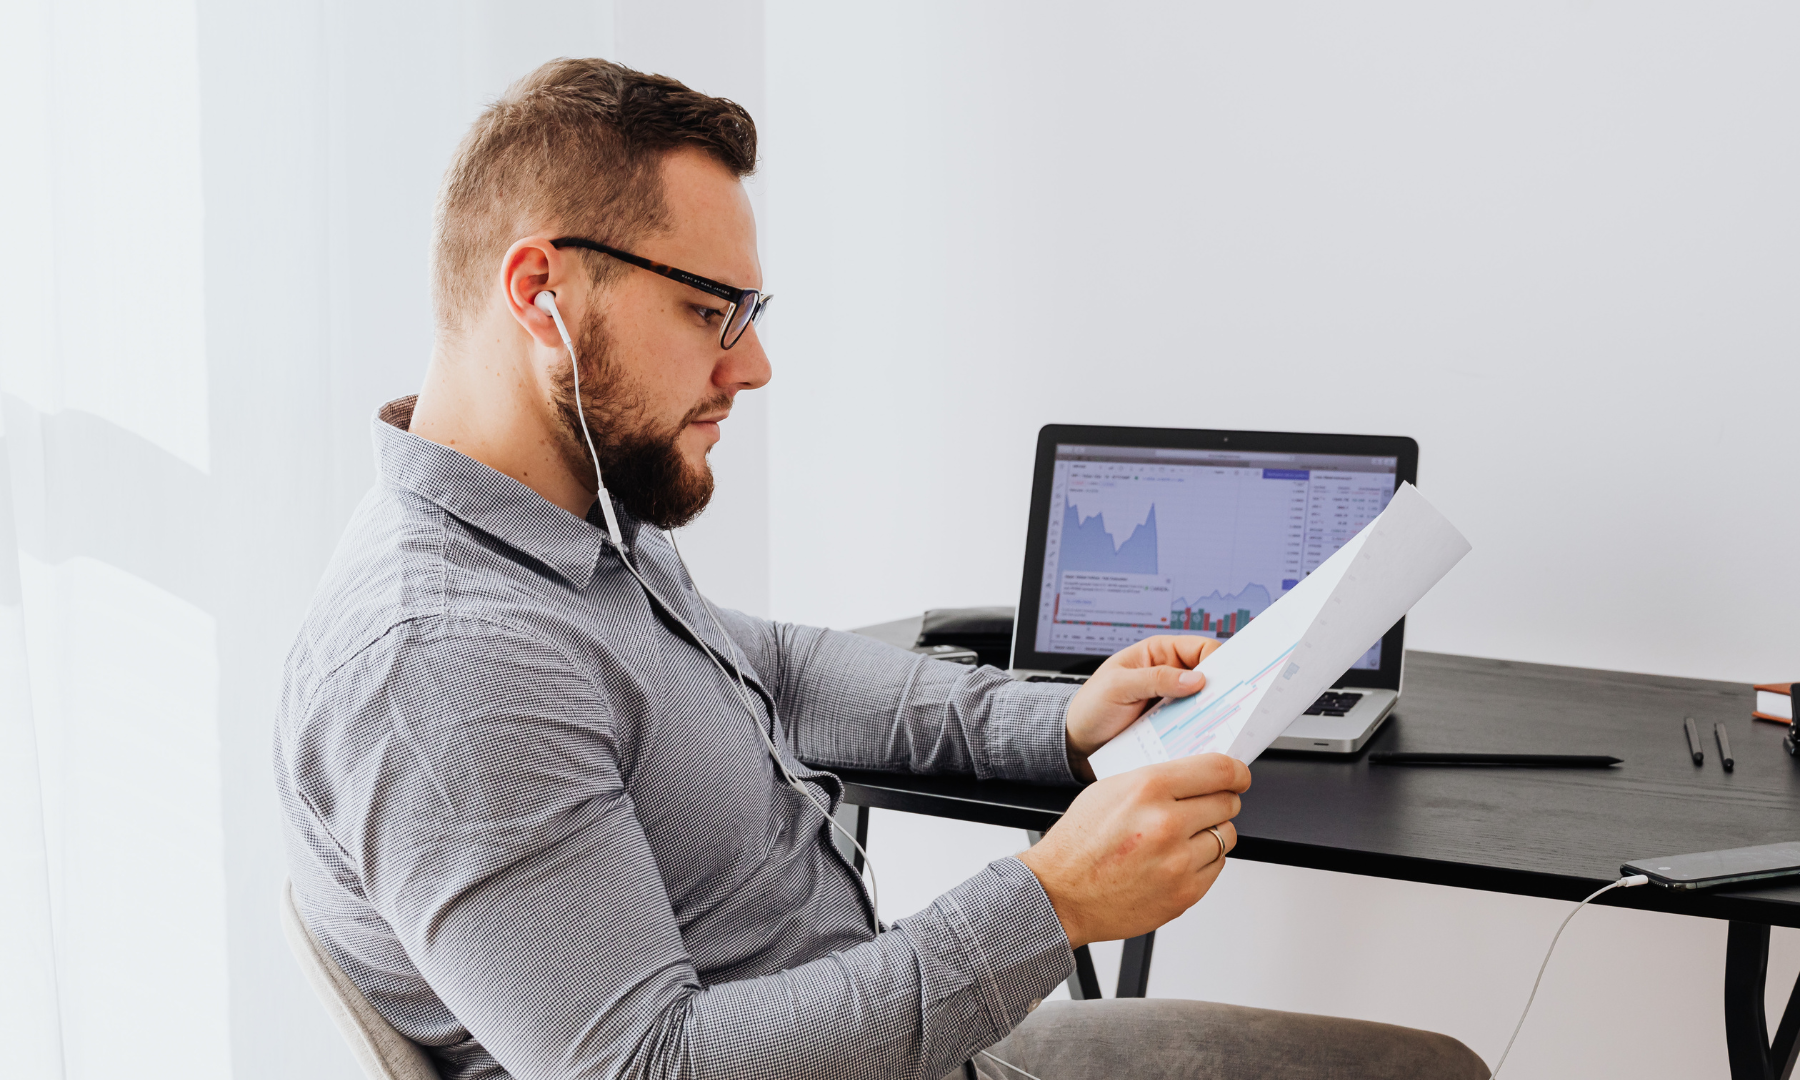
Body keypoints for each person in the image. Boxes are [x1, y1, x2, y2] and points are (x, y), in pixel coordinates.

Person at [274, 57, 1488, 1080]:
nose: (751, 371)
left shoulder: (570, 517)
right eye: (710, 314)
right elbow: (648, 1066)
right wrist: (1050, 901)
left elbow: (774, 672)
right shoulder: (443, 662)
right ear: (539, 292)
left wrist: (1059, 721)